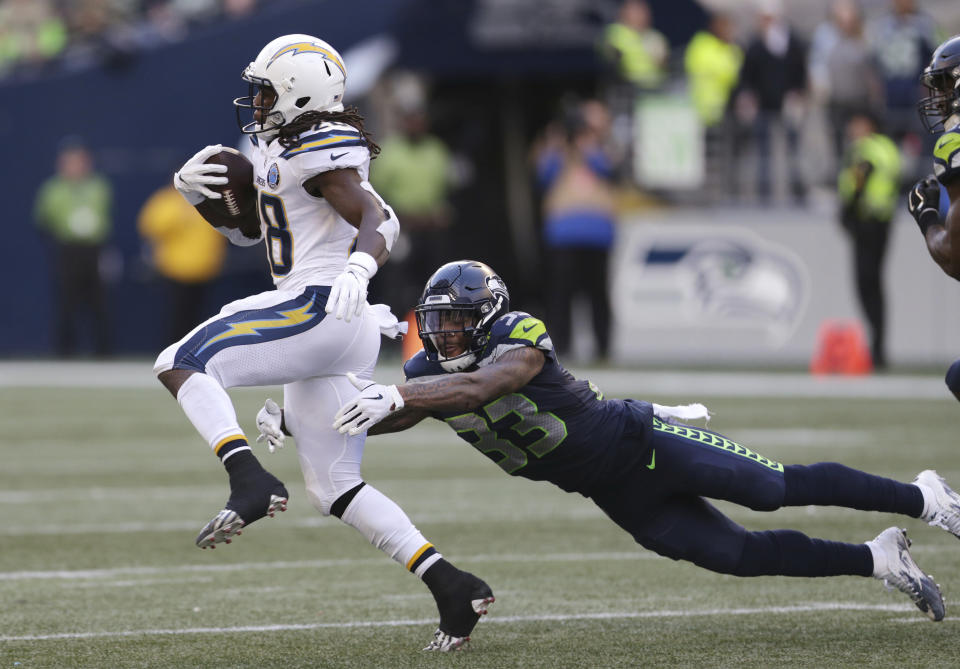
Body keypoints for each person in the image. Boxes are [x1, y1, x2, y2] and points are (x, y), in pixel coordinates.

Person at [265, 259, 960, 623]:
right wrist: (307, 418)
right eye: (437, 324)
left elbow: (489, 386)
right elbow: (389, 415)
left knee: (773, 487)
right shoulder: (424, 375)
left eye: (456, 323)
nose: (444, 337)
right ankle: (877, 559)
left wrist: (402, 391)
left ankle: (923, 496)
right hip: (610, 488)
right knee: (732, 554)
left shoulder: (517, 335)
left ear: (489, 315)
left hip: (642, 441)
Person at [156, 35, 492, 652]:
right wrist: (207, 202)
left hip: (322, 305)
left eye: (265, 91)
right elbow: (262, 231)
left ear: (298, 93)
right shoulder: (282, 145)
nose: (254, 103)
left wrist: (360, 270)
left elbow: (379, 217)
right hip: (335, 319)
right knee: (335, 487)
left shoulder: (322, 144)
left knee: (180, 361)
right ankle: (453, 587)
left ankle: (249, 478)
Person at [534, 100, 617, 361]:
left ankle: (602, 345)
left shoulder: (604, 150)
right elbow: (543, 175)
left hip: (596, 233)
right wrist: (557, 145)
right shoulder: (555, 152)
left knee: (598, 293)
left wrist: (588, 147)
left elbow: (611, 171)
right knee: (561, 294)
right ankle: (562, 344)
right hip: (563, 234)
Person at [908, 34, 960, 401]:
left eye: (943, 85)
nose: (937, 99)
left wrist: (927, 218)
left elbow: (957, 256)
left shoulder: (954, 142)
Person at [34, 136, 113, 357]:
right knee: (66, 301)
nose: (75, 166)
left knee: (99, 302)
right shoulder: (52, 189)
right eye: (70, 161)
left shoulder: (98, 186)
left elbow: (103, 214)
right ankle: (65, 351)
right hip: (68, 249)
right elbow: (43, 219)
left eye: (79, 161)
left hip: (94, 249)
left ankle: (103, 352)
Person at [837, 110, 900, 369]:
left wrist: (848, 209)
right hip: (882, 221)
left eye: (856, 124)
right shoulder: (888, 148)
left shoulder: (866, 148)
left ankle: (878, 349)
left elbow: (862, 175)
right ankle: (879, 348)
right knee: (874, 285)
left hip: (867, 222)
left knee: (866, 284)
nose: (852, 129)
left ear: (867, 125)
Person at [736, 0, 808, 205]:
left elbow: (800, 71)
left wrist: (797, 94)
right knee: (763, 152)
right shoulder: (756, 43)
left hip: (788, 104)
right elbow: (747, 74)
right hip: (764, 105)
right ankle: (764, 194)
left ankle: (797, 191)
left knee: (793, 150)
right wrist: (748, 96)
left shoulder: (792, 42)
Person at [137, 181, 228, 343]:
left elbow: (220, 231)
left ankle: (196, 353)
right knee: (177, 317)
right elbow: (150, 226)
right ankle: (173, 354)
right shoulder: (167, 200)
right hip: (175, 270)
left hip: (205, 270)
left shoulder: (208, 201)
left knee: (201, 319)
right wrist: (180, 214)